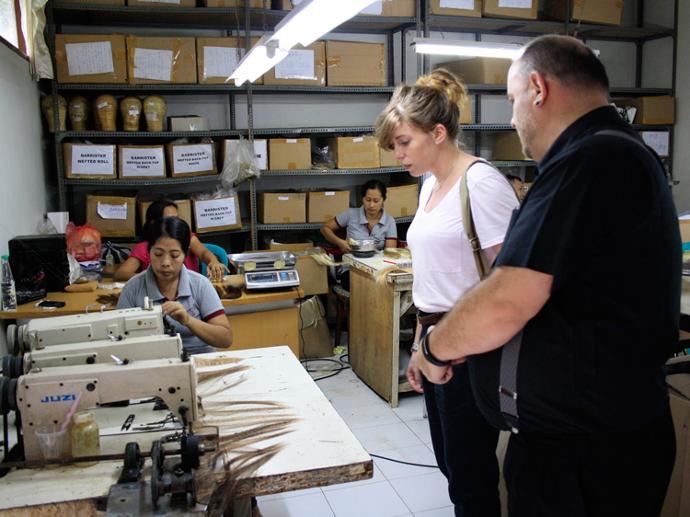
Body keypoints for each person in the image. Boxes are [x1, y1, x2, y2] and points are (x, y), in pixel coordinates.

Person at [415, 35, 680, 517]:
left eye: (513, 101)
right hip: (599, 441)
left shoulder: (588, 161)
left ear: (538, 88)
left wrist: (433, 347)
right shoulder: (618, 152)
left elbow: (506, 298)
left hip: (584, 456)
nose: (513, 119)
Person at [375, 68, 519, 517]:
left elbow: (510, 280)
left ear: (438, 133)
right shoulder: (430, 185)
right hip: (435, 340)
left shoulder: (481, 184)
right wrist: (420, 343)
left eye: (404, 143)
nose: (397, 154)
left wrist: (448, 344)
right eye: (394, 145)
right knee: (451, 467)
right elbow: (433, 278)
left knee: (470, 476)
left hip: (471, 351)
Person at [117, 216, 233, 355]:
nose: (165, 262)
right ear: (148, 252)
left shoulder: (200, 284)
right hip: (151, 359)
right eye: (158, 254)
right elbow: (119, 340)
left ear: (185, 254)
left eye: (174, 255)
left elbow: (225, 339)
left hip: (198, 357)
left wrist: (188, 320)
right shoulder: (133, 288)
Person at [115, 198, 228, 281]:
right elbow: (121, 273)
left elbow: (203, 252)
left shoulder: (186, 236)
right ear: (154, 223)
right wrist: (150, 278)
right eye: (158, 254)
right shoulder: (143, 248)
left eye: (177, 218)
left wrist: (213, 261)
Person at [320, 179, 398, 253]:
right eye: (368, 200)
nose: (371, 205)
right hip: (351, 263)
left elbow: (390, 253)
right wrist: (340, 242)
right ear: (362, 199)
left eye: (376, 201)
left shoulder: (389, 221)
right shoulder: (350, 214)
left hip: (377, 264)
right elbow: (325, 228)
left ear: (383, 200)